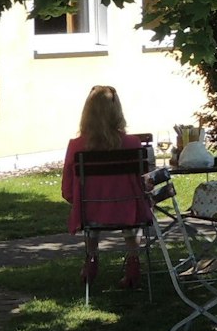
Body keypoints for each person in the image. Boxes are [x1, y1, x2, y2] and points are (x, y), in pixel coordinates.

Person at [61, 85, 150, 289]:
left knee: (90, 206)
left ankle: (91, 259)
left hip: (90, 211)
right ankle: (133, 260)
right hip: (128, 211)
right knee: (132, 205)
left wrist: (75, 198)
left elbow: (67, 189)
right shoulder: (133, 144)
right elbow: (143, 183)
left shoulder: (76, 146)